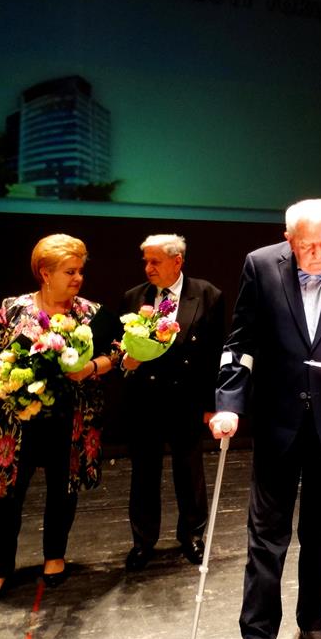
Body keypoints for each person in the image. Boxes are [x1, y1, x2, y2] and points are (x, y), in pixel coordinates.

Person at [211, 199, 321, 639]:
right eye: (307, 246)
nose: (319, 254)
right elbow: (241, 341)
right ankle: (256, 635)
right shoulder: (261, 265)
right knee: (266, 536)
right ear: (288, 240)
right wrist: (229, 404)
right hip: (277, 421)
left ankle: (313, 625)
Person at [0, 234, 113, 610]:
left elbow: (116, 353)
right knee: (4, 498)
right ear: (45, 273)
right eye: (70, 271)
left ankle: (55, 556)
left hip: (70, 419)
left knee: (63, 490)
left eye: (80, 270)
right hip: (16, 421)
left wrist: (90, 368)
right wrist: (9, 370)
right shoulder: (14, 308)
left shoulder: (90, 313)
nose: (78, 278)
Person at [119, 234, 225, 571]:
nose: (148, 268)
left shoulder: (207, 294)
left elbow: (215, 353)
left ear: (177, 260)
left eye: (155, 262)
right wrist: (126, 362)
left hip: (186, 397)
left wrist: (212, 404)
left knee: (189, 471)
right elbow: (122, 349)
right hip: (146, 399)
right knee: (143, 473)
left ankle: (192, 535)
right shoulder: (134, 297)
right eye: (146, 262)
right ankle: (143, 541)